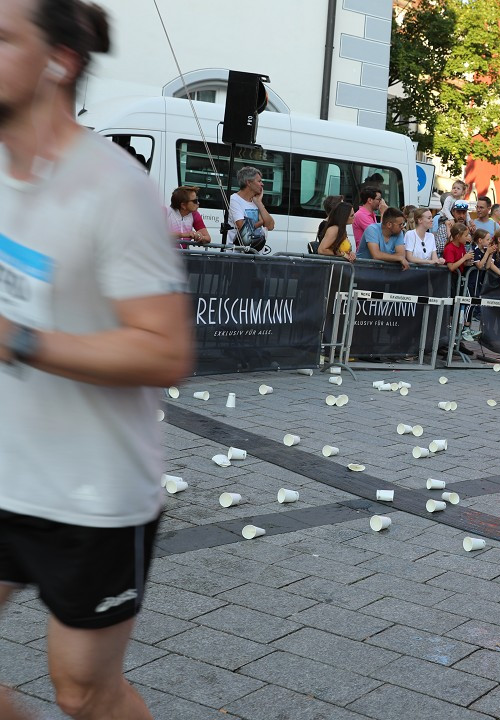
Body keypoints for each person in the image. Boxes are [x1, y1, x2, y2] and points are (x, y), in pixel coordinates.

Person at [0, 2, 194, 718]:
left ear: (60, 61)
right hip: (3, 466)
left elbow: (166, 349)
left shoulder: (115, 188)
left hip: (90, 497)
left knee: (83, 692)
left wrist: (18, 339)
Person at [227, 165, 275, 251]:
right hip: (239, 254)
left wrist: (259, 203)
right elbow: (241, 226)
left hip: (255, 253)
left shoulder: (255, 201)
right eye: (259, 181)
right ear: (248, 183)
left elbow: (270, 226)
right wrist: (261, 222)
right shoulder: (235, 199)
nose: (262, 184)